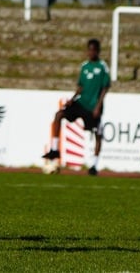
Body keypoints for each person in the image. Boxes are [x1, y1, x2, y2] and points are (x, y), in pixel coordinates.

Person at [42, 39, 110, 175]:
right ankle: (54, 150)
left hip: (93, 106)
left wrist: (98, 106)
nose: (90, 52)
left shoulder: (102, 66)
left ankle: (94, 166)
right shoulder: (84, 66)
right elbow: (80, 87)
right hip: (81, 102)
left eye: (93, 50)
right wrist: (72, 100)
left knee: (98, 133)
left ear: (97, 51)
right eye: (88, 50)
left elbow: (105, 87)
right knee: (59, 115)